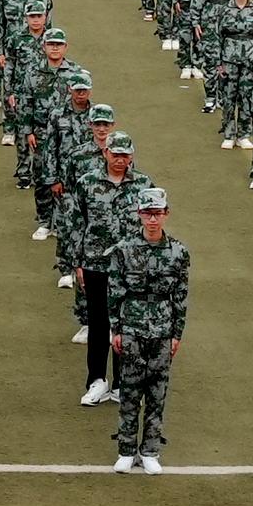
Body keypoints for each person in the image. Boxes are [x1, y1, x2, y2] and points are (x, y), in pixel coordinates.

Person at [104, 185, 190, 473]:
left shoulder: (179, 252)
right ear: (139, 214)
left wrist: (177, 334)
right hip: (132, 327)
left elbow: (180, 295)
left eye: (157, 213)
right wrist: (115, 328)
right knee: (129, 390)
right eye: (147, 213)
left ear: (166, 214)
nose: (152, 219)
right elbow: (114, 291)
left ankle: (150, 450)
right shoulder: (124, 250)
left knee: (157, 393)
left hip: (163, 329)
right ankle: (126, 449)